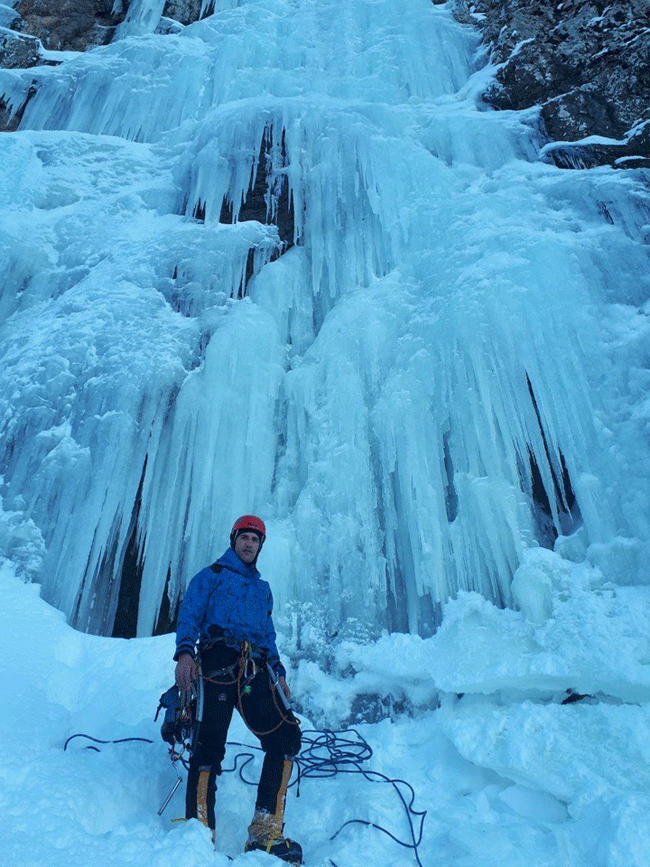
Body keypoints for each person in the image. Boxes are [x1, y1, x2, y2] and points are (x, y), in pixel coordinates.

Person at [174, 515, 302, 864]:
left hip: (253, 668)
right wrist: (185, 653)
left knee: (286, 736)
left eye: (255, 540)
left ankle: (264, 833)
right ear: (234, 541)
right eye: (244, 538)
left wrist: (278, 673)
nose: (249, 544)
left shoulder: (263, 590)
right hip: (216, 660)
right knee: (208, 746)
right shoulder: (212, 577)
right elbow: (190, 615)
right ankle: (199, 834)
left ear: (261, 546)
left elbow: (267, 637)